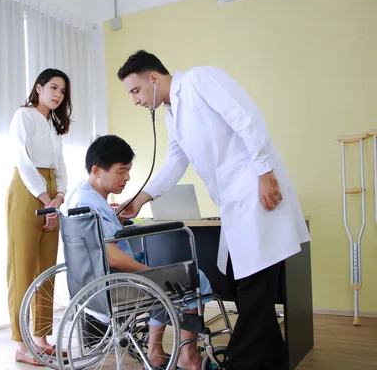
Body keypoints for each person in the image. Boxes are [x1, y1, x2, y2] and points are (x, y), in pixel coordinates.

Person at [115, 50, 311, 370]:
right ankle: (272, 359)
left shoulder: (199, 79)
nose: (134, 100)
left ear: (153, 78)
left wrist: (266, 173)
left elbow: (245, 117)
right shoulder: (171, 114)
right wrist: (141, 198)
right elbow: (175, 163)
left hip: (254, 191)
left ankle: (240, 362)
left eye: (135, 90)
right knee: (241, 282)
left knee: (253, 286)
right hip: (235, 203)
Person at [66, 134, 213, 370]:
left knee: (160, 277)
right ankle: (188, 356)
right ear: (97, 170)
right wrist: (147, 271)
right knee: (193, 277)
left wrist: (117, 223)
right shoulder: (92, 204)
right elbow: (111, 255)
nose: (127, 177)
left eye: (129, 170)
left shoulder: (78, 196)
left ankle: (155, 353)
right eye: (121, 171)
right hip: (116, 286)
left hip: (89, 285)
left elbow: (97, 247)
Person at [6, 68, 72, 366]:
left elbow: (60, 166)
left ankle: (41, 337)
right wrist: (45, 197)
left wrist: (58, 198)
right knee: (22, 268)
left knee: (47, 266)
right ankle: (21, 345)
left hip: (50, 192)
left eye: (62, 91)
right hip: (26, 190)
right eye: (53, 88)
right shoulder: (24, 116)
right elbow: (22, 159)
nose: (58, 95)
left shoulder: (54, 126)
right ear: (39, 88)